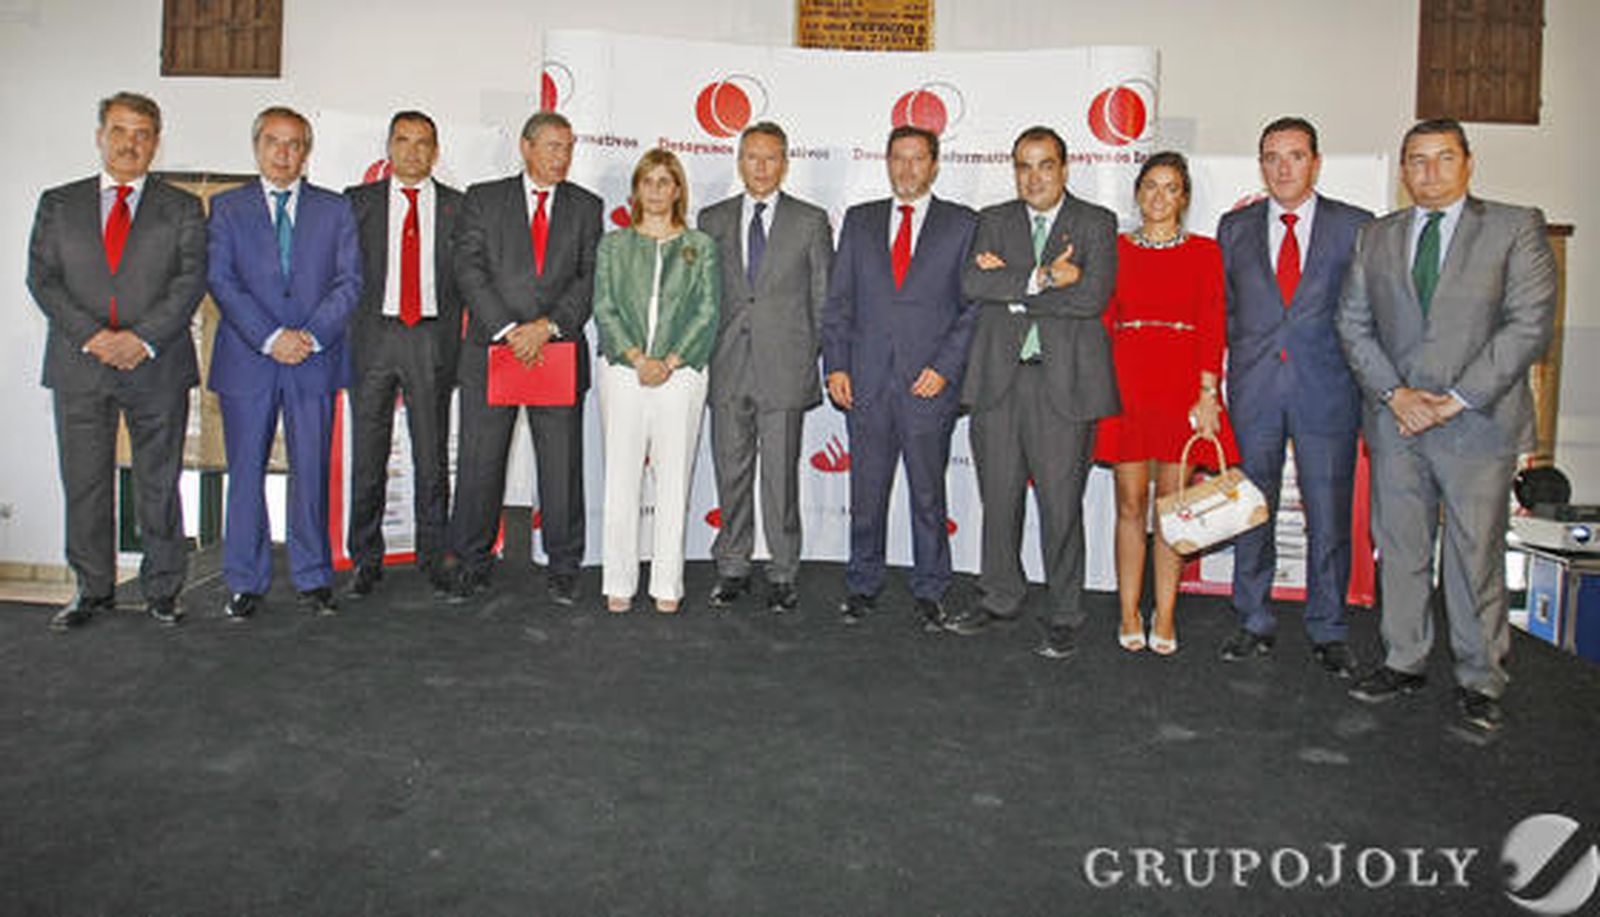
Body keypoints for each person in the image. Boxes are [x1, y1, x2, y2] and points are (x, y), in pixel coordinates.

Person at [1337, 118, 1556, 734]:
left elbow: (1527, 327)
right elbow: (1353, 324)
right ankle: (1403, 659)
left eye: (1442, 159)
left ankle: (1480, 678)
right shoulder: (1375, 237)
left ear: (1468, 163)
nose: (1428, 172)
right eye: (1416, 160)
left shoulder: (1515, 227)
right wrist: (1395, 393)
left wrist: (1455, 398)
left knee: (1473, 554)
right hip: (1396, 420)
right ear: (1403, 170)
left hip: (1477, 425)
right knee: (1401, 548)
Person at [27, 91, 207, 630]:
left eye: (143, 134)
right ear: (101, 135)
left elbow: (190, 278)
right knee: (84, 481)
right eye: (120, 131)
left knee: (160, 480)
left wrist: (141, 339)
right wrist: (95, 337)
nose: (131, 143)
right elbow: (43, 280)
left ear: (157, 141)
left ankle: (162, 590)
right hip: (80, 363)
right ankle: (92, 590)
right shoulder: (59, 203)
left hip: (156, 363)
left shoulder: (181, 207)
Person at [944, 125, 1118, 660]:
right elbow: (973, 286)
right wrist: (1043, 278)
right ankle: (1000, 596)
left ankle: (1064, 612)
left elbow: (1092, 296)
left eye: (1045, 165)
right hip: (999, 382)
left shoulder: (1096, 222)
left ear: (1064, 168)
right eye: (1024, 165)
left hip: (1063, 385)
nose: (1034, 176)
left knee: (1061, 505)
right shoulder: (993, 221)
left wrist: (1015, 291)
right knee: (998, 498)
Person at [1217, 117, 1373, 676]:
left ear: (1316, 161)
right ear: (1260, 164)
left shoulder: (1355, 227)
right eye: (1272, 156)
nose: (1283, 167)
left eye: (1295, 155)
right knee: (1250, 512)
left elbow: (1367, 314)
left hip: (1326, 391)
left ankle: (1328, 628)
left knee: (1327, 517)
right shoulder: (1233, 228)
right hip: (1255, 391)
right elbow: (1227, 314)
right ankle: (1252, 619)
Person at [207, 106, 363, 619]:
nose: (283, 153)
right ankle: (244, 581)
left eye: (294, 144)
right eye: (273, 141)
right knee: (246, 471)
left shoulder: (334, 209)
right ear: (257, 147)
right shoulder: (227, 208)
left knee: (311, 471)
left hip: (314, 361)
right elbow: (222, 282)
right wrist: (272, 337)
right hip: (249, 360)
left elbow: (349, 282)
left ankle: (313, 577)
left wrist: (311, 336)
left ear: (307, 152)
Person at [821, 125, 977, 631]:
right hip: (865, 381)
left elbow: (972, 308)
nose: (907, 169)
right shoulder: (861, 222)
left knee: (929, 494)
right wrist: (837, 365)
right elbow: (839, 302)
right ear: (886, 162)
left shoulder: (961, 224)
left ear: (934, 165)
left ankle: (931, 589)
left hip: (929, 384)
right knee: (866, 493)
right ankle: (862, 584)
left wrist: (944, 369)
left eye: (918, 159)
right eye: (898, 158)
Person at [445, 111, 602, 605]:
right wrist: (510, 330)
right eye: (553, 147)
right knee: (479, 462)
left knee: (560, 466)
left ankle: (563, 564)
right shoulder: (484, 199)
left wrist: (547, 327)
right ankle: (472, 561)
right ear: (526, 147)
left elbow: (589, 278)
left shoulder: (586, 206)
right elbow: (467, 269)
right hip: (495, 349)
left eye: (568, 148)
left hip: (554, 349)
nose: (562, 157)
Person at [1091, 151, 1235, 657]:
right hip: (1127, 382)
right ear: (1137, 192)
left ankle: (1166, 613)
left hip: (1181, 388)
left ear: (1184, 197)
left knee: (1173, 509)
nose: (1158, 196)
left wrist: (1207, 394)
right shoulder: (1114, 248)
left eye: (1170, 187)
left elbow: (1212, 322)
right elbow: (1102, 318)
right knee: (1130, 504)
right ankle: (1129, 609)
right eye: (1150, 185)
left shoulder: (1205, 252)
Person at [697, 122, 833, 614]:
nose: (761, 166)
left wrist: (806, 356)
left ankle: (782, 570)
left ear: (785, 163)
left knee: (780, 477)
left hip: (785, 368)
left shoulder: (810, 220)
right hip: (727, 364)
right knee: (730, 471)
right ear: (739, 160)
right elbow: (699, 297)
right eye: (752, 157)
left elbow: (823, 300)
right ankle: (732, 564)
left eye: (771, 157)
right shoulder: (710, 219)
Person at [592, 149, 720, 613]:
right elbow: (603, 306)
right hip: (623, 372)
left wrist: (669, 360)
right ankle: (619, 582)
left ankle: (668, 583)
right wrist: (635, 357)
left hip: (681, 375)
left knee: (673, 481)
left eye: (665, 182)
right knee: (621, 478)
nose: (657, 190)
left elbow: (708, 311)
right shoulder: (613, 245)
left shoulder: (700, 246)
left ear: (678, 189)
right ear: (636, 189)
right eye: (648, 181)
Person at [342, 111, 463, 599]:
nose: (413, 151)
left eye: (423, 143)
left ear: (436, 152)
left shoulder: (459, 207)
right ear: (388, 147)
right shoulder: (357, 203)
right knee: (368, 455)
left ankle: (434, 557)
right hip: (374, 336)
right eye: (403, 141)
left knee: (431, 457)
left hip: (431, 338)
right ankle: (365, 560)